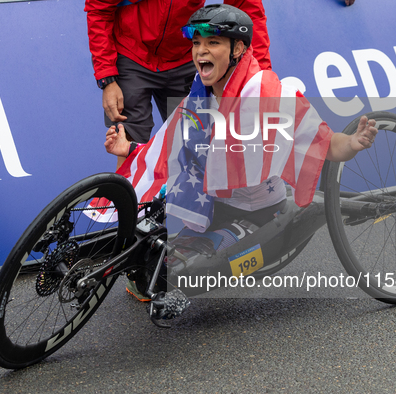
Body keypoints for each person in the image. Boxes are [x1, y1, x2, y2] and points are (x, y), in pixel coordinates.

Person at [105, 4, 378, 301]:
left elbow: (325, 144)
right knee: (147, 255)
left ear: (237, 49)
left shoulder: (266, 93)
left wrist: (353, 143)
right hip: (214, 207)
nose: (200, 51)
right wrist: (131, 149)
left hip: (259, 213)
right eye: (196, 43)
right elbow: (170, 145)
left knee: (175, 276)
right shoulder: (200, 93)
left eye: (212, 43)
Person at [85, 0, 272, 169]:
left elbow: (247, 8)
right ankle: (125, 205)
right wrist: (107, 77)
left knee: (196, 142)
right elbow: (99, 7)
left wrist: (258, 79)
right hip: (131, 52)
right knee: (126, 140)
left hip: (183, 57)